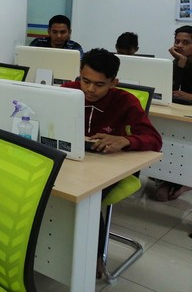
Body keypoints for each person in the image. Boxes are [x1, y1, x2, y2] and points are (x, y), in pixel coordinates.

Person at [61, 48, 162, 278]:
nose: (90, 89)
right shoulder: (68, 91)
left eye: (100, 84)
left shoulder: (125, 101)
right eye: (85, 80)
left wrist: (125, 140)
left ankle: (94, 256)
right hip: (73, 161)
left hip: (111, 168)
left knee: (86, 197)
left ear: (113, 82)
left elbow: (154, 140)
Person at [154, 26, 192, 201]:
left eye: (186, 42)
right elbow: (170, 88)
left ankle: (182, 181)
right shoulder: (176, 62)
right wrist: (180, 63)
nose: (180, 46)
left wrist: (190, 96)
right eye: (177, 41)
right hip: (178, 111)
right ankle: (167, 178)